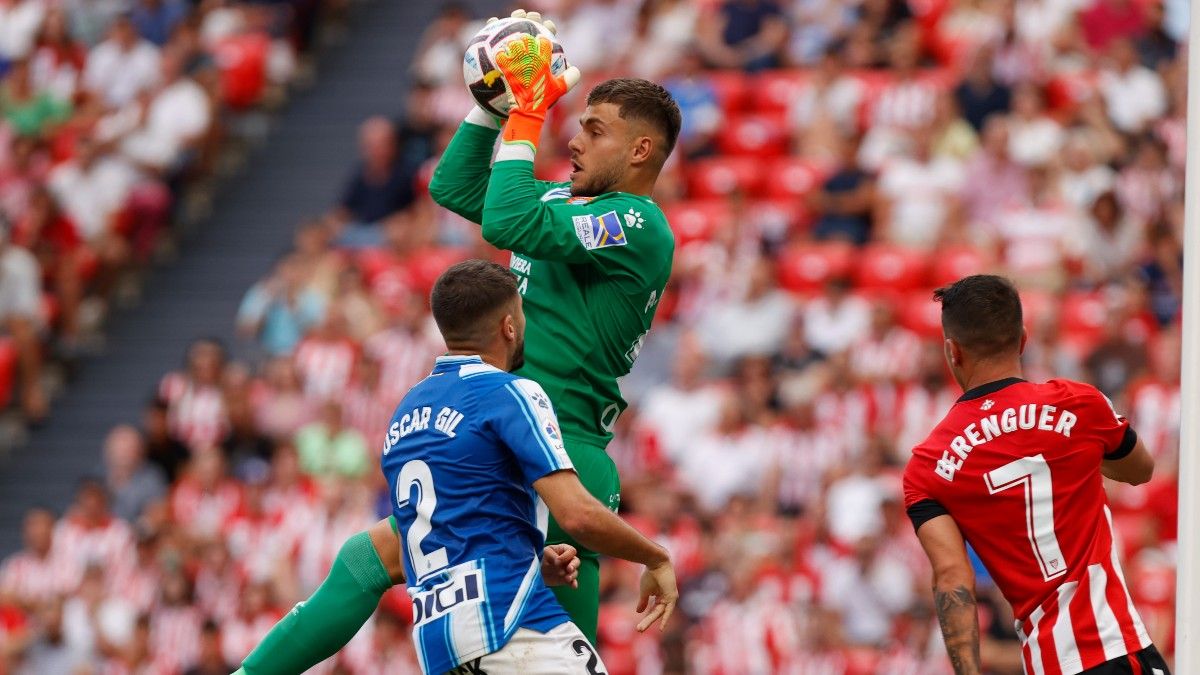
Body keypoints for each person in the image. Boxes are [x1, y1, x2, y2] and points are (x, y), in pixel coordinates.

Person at [235, 261, 678, 674]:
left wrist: (527, 559)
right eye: (521, 315)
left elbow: (445, 529)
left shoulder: (407, 410)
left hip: (439, 643)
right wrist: (654, 557)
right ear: (509, 325)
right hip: (510, 625)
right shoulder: (513, 392)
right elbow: (577, 514)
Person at [902, 275, 1169, 675]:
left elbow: (951, 580)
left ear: (952, 352)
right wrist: (1070, 449)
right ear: (1023, 339)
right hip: (1115, 648)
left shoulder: (927, 465)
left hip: (1047, 664)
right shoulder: (1080, 404)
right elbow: (1141, 470)